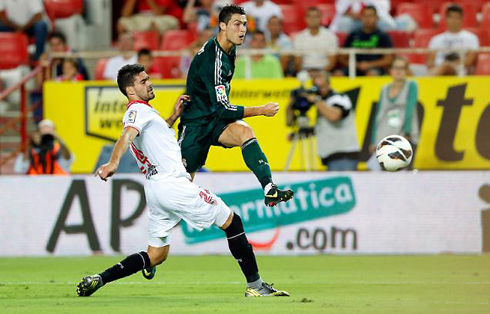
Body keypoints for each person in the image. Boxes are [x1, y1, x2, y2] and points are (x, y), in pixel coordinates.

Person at [76, 64, 290, 298]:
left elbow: (152, 137)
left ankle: (99, 279)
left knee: (156, 255)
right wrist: (113, 163)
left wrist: (173, 116)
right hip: (172, 185)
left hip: (156, 189)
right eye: (143, 81)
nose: (149, 83)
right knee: (232, 222)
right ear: (130, 90)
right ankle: (256, 286)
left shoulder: (147, 113)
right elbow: (126, 136)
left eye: (149, 78)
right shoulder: (136, 111)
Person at [180, 4, 294, 207]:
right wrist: (261, 110)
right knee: (181, 188)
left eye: (244, 24)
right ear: (222, 26)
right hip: (196, 125)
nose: (242, 29)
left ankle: (270, 189)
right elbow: (223, 107)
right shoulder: (213, 59)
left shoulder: (229, 51)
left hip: (213, 119)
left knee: (244, 132)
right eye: (237, 24)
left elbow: (219, 106)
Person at [368, 56, 418, 171]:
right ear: (390, 70)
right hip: (384, 137)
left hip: (403, 136)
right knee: (380, 176)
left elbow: (410, 109)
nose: (398, 71)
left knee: (402, 175)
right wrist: (373, 140)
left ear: (406, 71)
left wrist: (407, 133)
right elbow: (378, 115)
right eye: (395, 68)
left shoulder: (411, 86)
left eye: (402, 68)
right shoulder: (384, 89)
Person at [309, 71, 359, 171]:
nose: (320, 90)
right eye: (317, 87)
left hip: (343, 154)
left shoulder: (339, 98)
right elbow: (323, 128)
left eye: (321, 86)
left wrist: (316, 100)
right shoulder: (322, 103)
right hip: (331, 156)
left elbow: (334, 116)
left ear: (329, 84)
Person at [337, 5, 393, 77]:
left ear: (376, 18)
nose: (367, 19)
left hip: (375, 68)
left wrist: (369, 65)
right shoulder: (353, 35)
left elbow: (388, 60)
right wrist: (357, 65)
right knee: (338, 74)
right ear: (361, 17)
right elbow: (342, 58)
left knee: (372, 74)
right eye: (365, 16)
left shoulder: (383, 36)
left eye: (370, 16)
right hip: (354, 67)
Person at [427, 4, 479, 76]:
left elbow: (470, 60)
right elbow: (430, 60)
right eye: (451, 17)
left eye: (456, 17)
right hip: (438, 68)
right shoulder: (436, 39)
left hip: (459, 70)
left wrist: (452, 64)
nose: (454, 20)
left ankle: (428, 80)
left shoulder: (471, 38)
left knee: (447, 67)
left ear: (461, 19)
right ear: (446, 19)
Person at [293, 7, 338, 75]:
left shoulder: (330, 37)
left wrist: (319, 74)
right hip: (305, 72)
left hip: (324, 72)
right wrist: (306, 73)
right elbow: (297, 62)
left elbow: (332, 62)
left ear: (320, 18)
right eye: (310, 17)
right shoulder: (299, 38)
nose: (313, 19)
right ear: (305, 19)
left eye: (315, 17)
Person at [329, 0, 396, 33]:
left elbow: (384, 9)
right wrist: (352, 14)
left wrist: (369, 16)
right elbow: (340, 9)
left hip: (375, 19)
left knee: (387, 25)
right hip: (354, 20)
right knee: (344, 22)